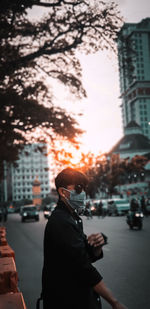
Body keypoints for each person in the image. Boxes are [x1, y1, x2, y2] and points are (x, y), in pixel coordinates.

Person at [41, 167, 127, 309]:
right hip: (68, 301)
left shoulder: (72, 217)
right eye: (79, 188)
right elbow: (82, 267)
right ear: (63, 192)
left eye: (84, 188)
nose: (83, 193)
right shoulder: (61, 222)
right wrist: (114, 302)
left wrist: (96, 247)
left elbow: (83, 256)